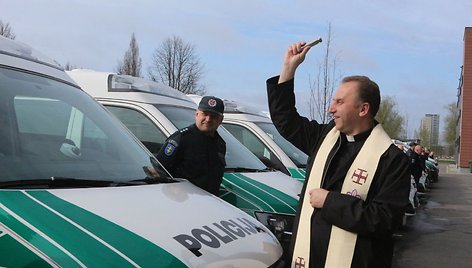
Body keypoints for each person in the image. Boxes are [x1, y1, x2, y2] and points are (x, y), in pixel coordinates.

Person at [266, 42, 410, 268]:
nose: (330, 108)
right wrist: (288, 69)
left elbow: (384, 219)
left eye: (339, 102)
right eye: (333, 101)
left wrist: (329, 201)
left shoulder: (392, 159)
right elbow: (285, 120)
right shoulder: (324, 137)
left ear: (363, 109)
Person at [156, 96, 226, 195]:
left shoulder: (220, 144)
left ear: (221, 120)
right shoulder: (181, 139)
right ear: (197, 114)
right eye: (205, 114)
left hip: (210, 202)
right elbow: (159, 171)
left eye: (213, 116)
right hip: (184, 202)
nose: (208, 119)